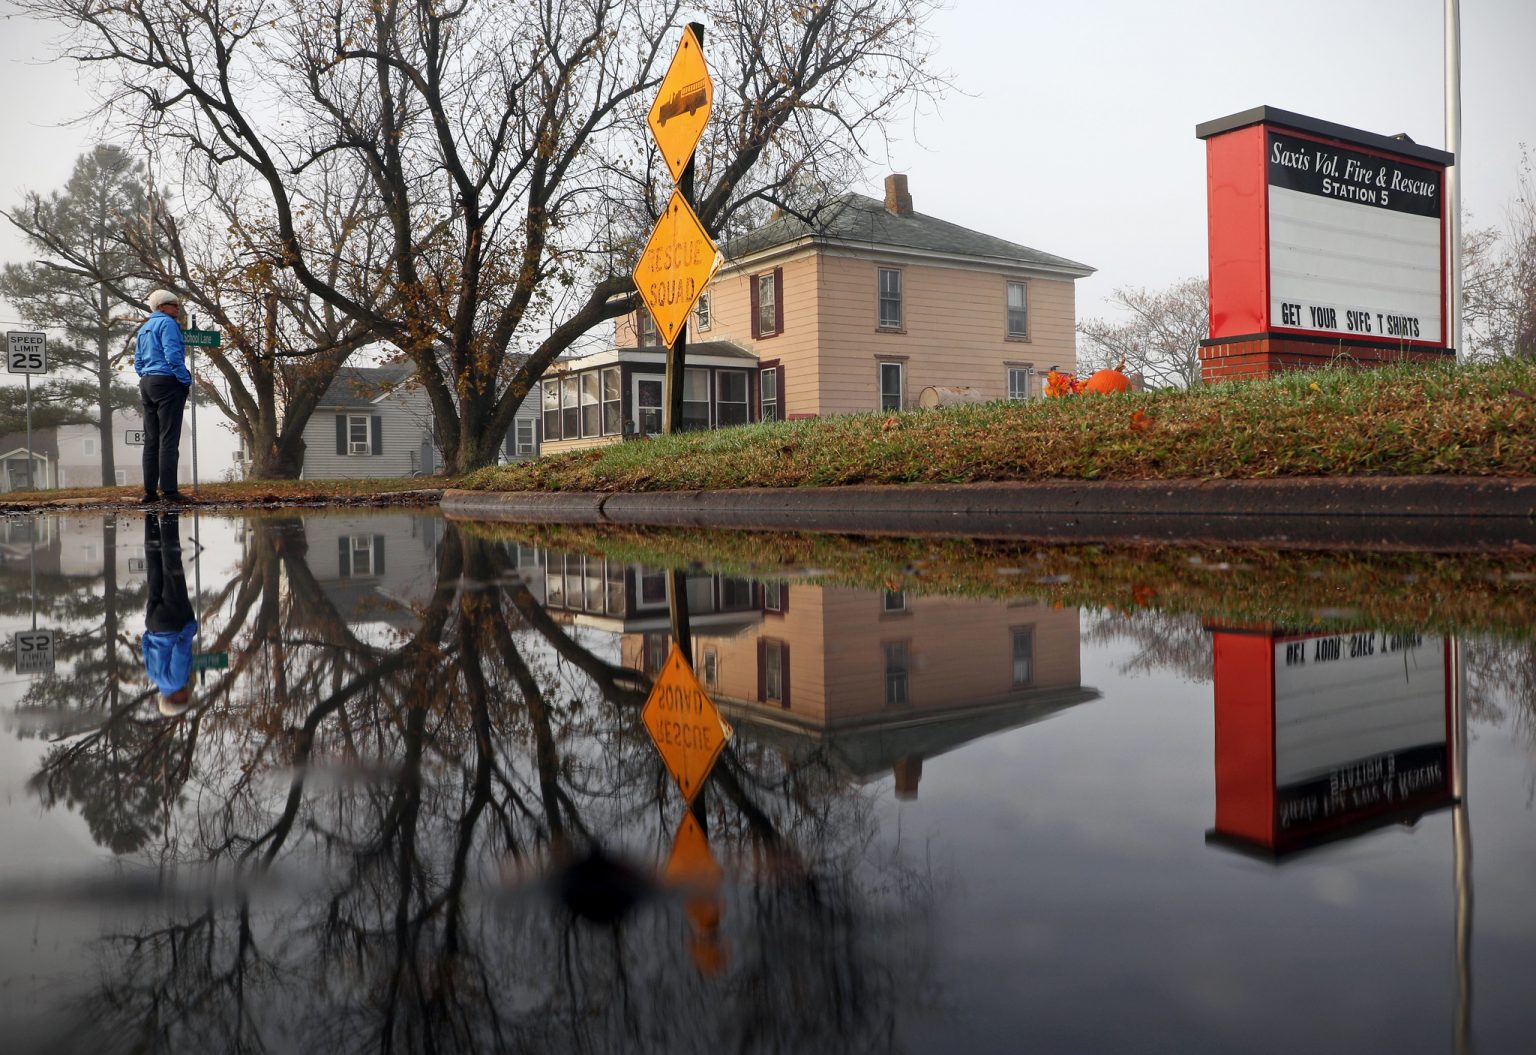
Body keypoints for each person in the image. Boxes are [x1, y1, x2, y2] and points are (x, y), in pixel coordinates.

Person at [134, 289, 193, 504]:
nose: (178, 308)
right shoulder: (168, 324)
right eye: (173, 304)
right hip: (167, 382)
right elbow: (172, 354)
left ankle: (149, 492)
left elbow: (138, 361)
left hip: (148, 383)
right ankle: (169, 491)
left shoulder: (144, 328)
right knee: (168, 438)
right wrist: (184, 380)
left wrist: (146, 376)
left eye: (178, 304)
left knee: (151, 440)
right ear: (161, 307)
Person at [141, 511, 196, 717]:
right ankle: (151, 517)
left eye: (184, 700)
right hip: (154, 623)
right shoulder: (154, 676)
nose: (187, 696)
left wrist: (191, 627)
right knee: (154, 567)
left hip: (174, 621)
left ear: (173, 699)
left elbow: (181, 649)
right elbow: (145, 645)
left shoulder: (177, 680)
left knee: (172, 566)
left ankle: (169, 515)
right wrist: (150, 631)